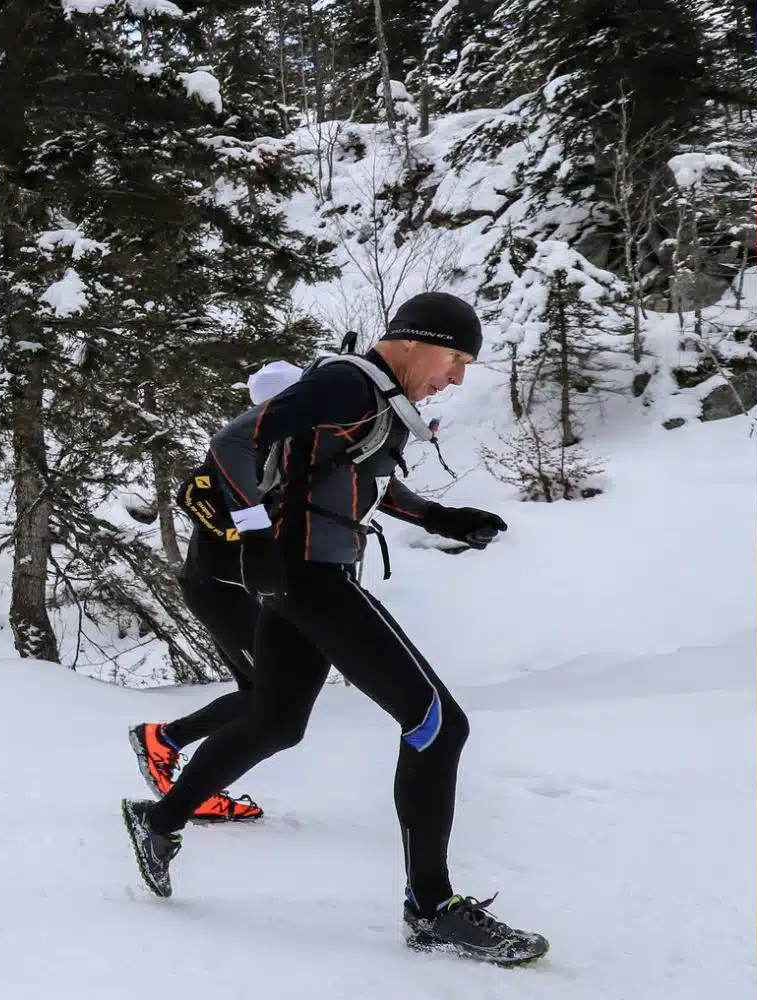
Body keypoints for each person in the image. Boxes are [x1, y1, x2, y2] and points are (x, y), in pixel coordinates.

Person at [120, 292, 543, 966]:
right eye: (454, 359)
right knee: (437, 723)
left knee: (277, 721)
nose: (457, 377)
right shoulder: (348, 383)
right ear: (412, 340)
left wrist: (442, 518)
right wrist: (254, 532)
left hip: (304, 576)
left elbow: (357, 483)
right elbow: (235, 441)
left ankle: (159, 820)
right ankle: (431, 909)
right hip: (308, 575)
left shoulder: (373, 399)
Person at [128, 360, 305, 824]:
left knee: (260, 693)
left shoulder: (283, 450)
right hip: (217, 587)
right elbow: (194, 494)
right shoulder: (242, 449)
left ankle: (170, 747)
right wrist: (247, 535)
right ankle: (173, 755)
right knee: (267, 694)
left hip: (238, 589)